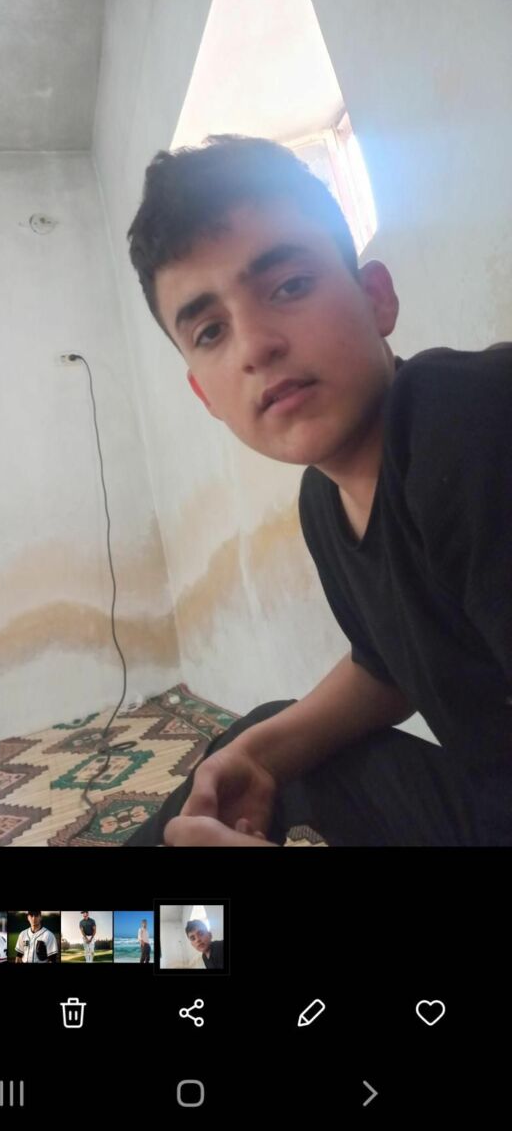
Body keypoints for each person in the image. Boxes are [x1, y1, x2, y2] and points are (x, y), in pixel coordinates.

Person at [125, 134, 512, 848]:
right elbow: (391, 664)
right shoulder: (325, 503)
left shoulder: (465, 421)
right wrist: (259, 753)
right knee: (251, 753)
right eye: (210, 331)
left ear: (376, 298)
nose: (255, 346)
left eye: (289, 286)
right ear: (205, 396)